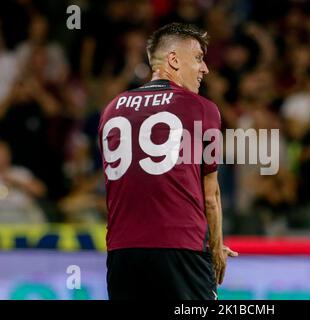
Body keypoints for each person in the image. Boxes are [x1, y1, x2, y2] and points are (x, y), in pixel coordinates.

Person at [98, 23, 237, 300]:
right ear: (173, 60)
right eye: (198, 58)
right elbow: (211, 195)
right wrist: (216, 247)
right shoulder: (201, 108)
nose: (205, 68)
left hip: (122, 253)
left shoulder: (112, 108)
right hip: (180, 249)